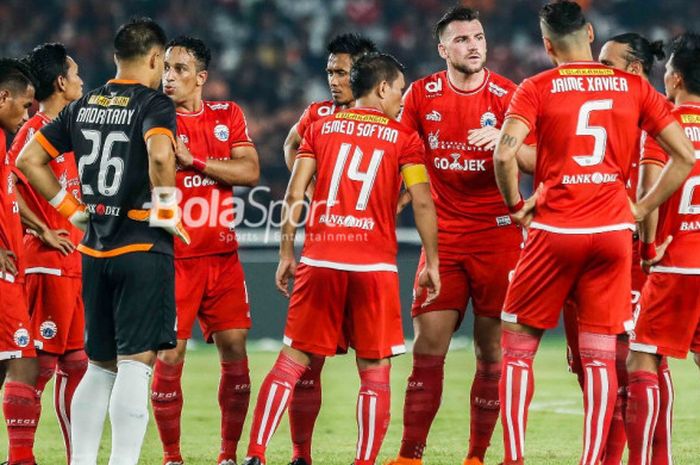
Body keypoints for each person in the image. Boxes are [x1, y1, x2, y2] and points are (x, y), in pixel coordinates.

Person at [492, 2, 695, 465]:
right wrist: (640, 208)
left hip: (554, 228)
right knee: (603, 356)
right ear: (588, 31)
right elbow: (683, 156)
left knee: (518, 345)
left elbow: (505, 157)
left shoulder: (537, 86)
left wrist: (517, 207)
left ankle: (514, 459)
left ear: (547, 45)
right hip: (612, 234)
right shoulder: (633, 88)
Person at [242, 52, 440, 465]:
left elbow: (296, 193)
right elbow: (421, 200)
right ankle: (364, 461)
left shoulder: (321, 127)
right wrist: (433, 261)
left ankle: (256, 452)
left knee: (292, 360)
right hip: (374, 267)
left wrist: (285, 252)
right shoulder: (404, 138)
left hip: (320, 260)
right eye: (399, 91)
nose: (401, 101)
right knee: (375, 370)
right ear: (382, 88)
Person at [16, 17, 188, 465]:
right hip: (140, 247)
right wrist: (168, 211)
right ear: (154, 58)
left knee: (98, 365)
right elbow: (159, 154)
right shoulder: (153, 103)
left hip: (94, 250)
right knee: (136, 364)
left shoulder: (85, 103)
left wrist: (72, 211)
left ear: (116, 57)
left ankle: (83, 461)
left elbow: (31, 160)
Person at [385, 7, 533, 465]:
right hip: (443, 241)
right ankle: (410, 455)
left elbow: (538, 160)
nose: (474, 45)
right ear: (442, 48)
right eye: (463, 38)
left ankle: (476, 456)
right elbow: (402, 159)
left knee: (492, 352)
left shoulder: (511, 96)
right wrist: (391, 206)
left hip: (499, 239)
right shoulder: (419, 95)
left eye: (479, 36)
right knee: (428, 346)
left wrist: (508, 147)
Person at [561, 32, 671, 465]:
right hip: (587, 258)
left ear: (635, 70)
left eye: (607, 64)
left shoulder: (657, 123)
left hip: (635, 261)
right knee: (592, 371)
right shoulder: (597, 118)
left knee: (638, 370)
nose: (597, 72)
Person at [151, 35, 260, 465]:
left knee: (235, 349)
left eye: (179, 69)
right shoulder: (153, 119)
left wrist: (193, 161)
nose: (169, 77)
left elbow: (249, 170)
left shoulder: (227, 114)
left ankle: (228, 456)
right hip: (173, 259)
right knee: (170, 354)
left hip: (223, 258)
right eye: (166, 68)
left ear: (201, 77)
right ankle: (172, 457)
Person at [281, 32, 377, 465]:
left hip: (369, 253)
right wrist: (316, 180)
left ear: (363, 72)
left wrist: (384, 205)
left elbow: (415, 175)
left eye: (341, 72)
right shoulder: (318, 114)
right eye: (329, 72)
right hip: (324, 249)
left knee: (372, 363)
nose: (333, 80)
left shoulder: (388, 114)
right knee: (308, 360)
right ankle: (302, 455)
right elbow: (289, 145)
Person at [6, 43, 87, 464]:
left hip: (71, 261)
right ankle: (21, 456)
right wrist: (41, 229)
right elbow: (12, 182)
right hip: (44, 260)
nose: (80, 81)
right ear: (60, 82)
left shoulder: (66, 129)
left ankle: (77, 457)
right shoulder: (33, 128)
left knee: (76, 363)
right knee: (39, 364)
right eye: (75, 74)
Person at [626, 31, 700, 465]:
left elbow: (648, 188)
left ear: (672, 78)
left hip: (675, 262)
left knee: (642, 360)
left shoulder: (664, 125)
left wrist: (648, 247)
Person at [0, 57, 39, 465]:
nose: (26, 113)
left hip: (12, 268)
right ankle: (21, 459)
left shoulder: (2, 140)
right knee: (24, 364)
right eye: (24, 105)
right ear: (2, 96)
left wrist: (40, 230)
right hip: (1, 273)